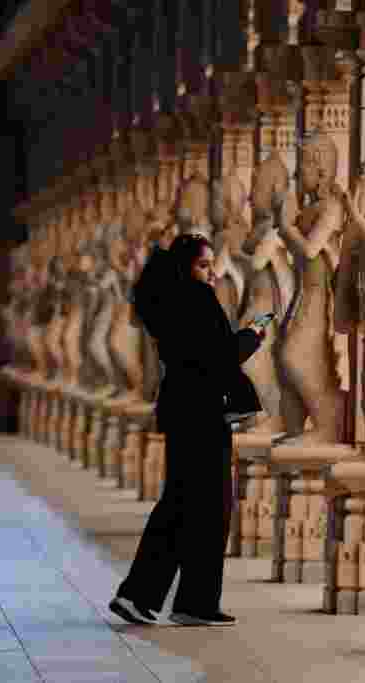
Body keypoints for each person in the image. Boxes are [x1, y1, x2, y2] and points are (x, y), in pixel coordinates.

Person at [109, 233, 268, 627]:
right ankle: (148, 595)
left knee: (197, 507)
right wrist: (253, 336)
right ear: (186, 268)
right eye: (204, 266)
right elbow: (220, 357)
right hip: (201, 414)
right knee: (193, 506)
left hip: (186, 410)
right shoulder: (196, 300)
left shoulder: (171, 302)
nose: (212, 274)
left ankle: (186, 601)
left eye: (213, 266)